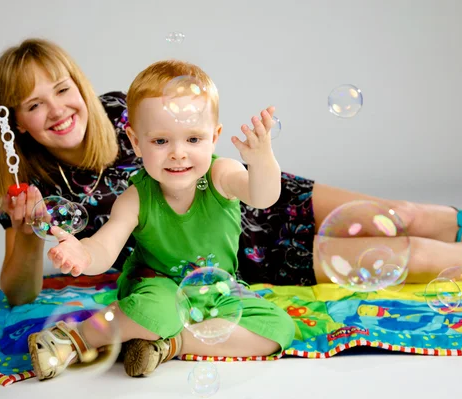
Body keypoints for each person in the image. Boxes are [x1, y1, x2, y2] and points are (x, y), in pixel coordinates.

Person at [0, 37, 462, 355]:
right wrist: (28, 232)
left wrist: (256, 156)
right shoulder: (36, 194)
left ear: (79, 84)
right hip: (248, 253)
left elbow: (190, 125)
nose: (56, 109)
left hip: (256, 192)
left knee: (401, 214)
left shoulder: (123, 111)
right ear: (16, 125)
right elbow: (22, 293)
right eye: (33, 104)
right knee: (411, 256)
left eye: (62, 89)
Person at [23, 58, 296, 380]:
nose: (178, 153)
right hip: (156, 286)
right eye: (161, 141)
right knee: (156, 312)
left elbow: (263, 196)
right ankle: (72, 338)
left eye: (193, 139)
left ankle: (167, 345)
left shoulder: (221, 174)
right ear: (136, 142)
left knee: (279, 328)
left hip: (215, 289)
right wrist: (84, 254)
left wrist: (262, 161)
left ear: (214, 136)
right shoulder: (137, 196)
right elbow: (106, 245)